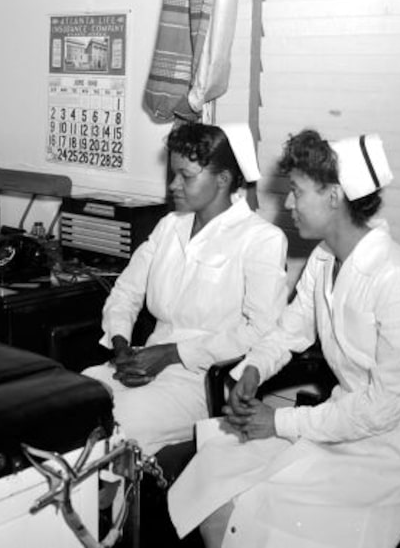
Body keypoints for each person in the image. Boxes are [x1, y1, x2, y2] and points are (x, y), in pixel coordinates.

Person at [168, 129, 400, 548]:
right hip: (340, 427)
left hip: (391, 457)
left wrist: (279, 421)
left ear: (334, 196)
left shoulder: (398, 283)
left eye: (297, 192)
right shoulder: (324, 259)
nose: (287, 203)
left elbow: (382, 411)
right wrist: (251, 371)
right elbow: (288, 331)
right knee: (217, 468)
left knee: (251, 507)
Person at [82, 122, 288, 456]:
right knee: (68, 405)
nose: (173, 185)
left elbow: (261, 331)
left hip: (204, 382)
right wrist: (121, 347)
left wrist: (171, 354)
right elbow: (125, 293)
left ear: (222, 179)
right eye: (173, 174)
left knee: (111, 427)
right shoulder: (169, 227)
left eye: (186, 176)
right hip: (142, 363)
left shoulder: (260, 239)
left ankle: (113, 504)